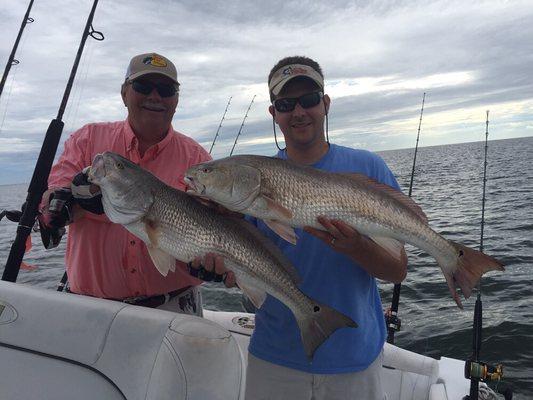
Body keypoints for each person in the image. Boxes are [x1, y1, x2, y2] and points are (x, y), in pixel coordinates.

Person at [241, 56, 408, 399]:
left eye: (310, 99)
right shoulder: (251, 181)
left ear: (326, 104)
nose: (299, 111)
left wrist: (357, 247)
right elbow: (238, 258)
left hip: (354, 356)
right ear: (274, 114)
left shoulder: (367, 168)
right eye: (286, 104)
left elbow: (398, 271)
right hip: (275, 357)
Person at [40, 52, 211, 315]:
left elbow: (219, 221)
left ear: (176, 100)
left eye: (166, 89)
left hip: (177, 306)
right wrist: (73, 198)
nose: (155, 96)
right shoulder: (87, 140)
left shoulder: (198, 159)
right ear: (124, 94)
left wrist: (214, 264)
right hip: (90, 307)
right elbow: (53, 202)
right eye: (143, 87)